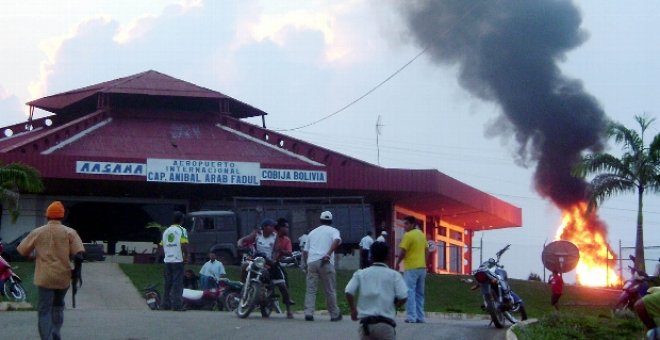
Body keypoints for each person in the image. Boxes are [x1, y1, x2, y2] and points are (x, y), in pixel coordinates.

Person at [17, 201, 85, 340]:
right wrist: (76, 273)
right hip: (63, 277)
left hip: (44, 277)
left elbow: (22, 251)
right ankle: (56, 332)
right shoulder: (70, 232)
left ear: (47, 216)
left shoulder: (37, 232)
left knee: (44, 310)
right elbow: (79, 255)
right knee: (58, 305)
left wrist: (33, 256)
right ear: (62, 216)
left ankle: (47, 337)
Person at [345, 242, 408, 340]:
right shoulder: (394, 275)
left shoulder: (361, 273)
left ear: (371, 256)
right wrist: (395, 306)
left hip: (366, 326)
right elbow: (403, 296)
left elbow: (348, 291)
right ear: (388, 257)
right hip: (386, 325)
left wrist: (353, 309)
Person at [238, 218, 294, 319]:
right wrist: (240, 243)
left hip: (269, 262)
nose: (273, 228)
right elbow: (246, 239)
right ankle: (242, 285)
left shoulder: (274, 236)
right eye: (271, 226)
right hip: (257, 260)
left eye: (274, 226)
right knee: (244, 266)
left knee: (282, 285)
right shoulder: (257, 234)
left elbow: (276, 250)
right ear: (264, 227)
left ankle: (289, 309)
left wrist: (273, 260)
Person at [302, 211, 342, 322]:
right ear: (331, 221)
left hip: (312, 261)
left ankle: (309, 313)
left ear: (320, 220)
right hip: (325, 262)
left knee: (311, 290)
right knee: (330, 290)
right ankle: (334, 314)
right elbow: (337, 240)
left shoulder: (312, 233)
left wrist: (306, 264)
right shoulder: (334, 231)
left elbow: (305, 251)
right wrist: (328, 254)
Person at [395, 216, 427, 323]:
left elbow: (403, 251)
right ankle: (420, 317)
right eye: (404, 223)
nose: (404, 226)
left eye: (407, 224)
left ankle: (411, 316)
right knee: (420, 293)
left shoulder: (408, 235)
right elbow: (427, 250)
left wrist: (398, 263)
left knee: (409, 291)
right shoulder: (421, 234)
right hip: (422, 267)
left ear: (413, 224)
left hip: (411, 267)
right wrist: (424, 262)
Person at [159, 211, 189, 311]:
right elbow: (184, 244)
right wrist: (187, 255)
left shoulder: (166, 231)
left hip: (168, 260)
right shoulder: (182, 230)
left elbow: (161, 246)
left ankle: (165, 304)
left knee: (168, 283)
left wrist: (166, 256)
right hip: (178, 260)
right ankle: (177, 305)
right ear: (181, 220)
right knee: (178, 283)